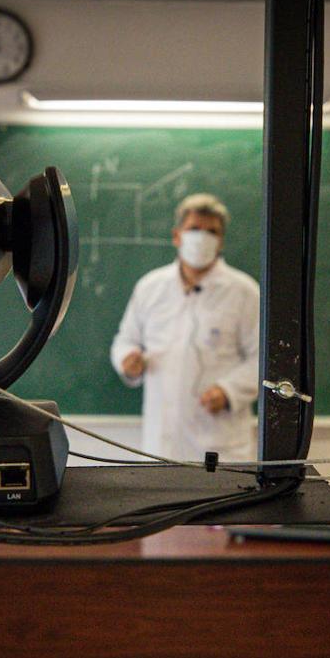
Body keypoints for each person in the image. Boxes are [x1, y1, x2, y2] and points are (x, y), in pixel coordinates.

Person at [110, 193, 260, 461]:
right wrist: (127, 359)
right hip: (161, 441)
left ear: (221, 241)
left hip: (222, 444)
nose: (202, 237)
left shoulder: (245, 291)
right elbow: (125, 340)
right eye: (194, 229)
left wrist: (228, 391)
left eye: (211, 231)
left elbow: (263, 359)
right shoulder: (150, 286)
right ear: (177, 235)